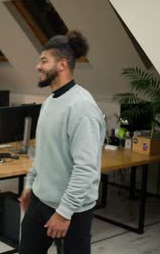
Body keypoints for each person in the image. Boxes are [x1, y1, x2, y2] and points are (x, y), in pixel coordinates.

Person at [18, 30, 105, 254]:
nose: (38, 66)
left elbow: (86, 168)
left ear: (62, 64)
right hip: (40, 201)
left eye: (44, 61)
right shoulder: (49, 102)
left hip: (71, 211)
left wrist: (64, 212)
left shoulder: (81, 107)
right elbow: (44, 152)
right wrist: (30, 184)